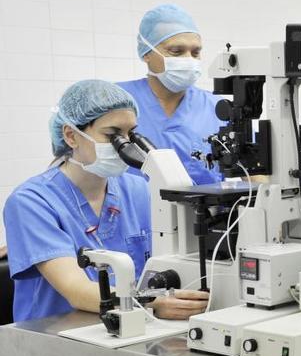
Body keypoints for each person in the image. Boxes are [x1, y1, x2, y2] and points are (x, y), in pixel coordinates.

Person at [3, 80, 208, 322]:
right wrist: (150, 304)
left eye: (129, 135)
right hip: (58, 334)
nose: (123, 144)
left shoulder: (139, 189)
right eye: (112, 135)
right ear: (71, 136)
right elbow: (75, 290)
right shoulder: (31, 202)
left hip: (134, 326)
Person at [118, 3, 226, 185]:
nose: (188, 60)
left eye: (195, 52)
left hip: (204, 212)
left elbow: (258, 171)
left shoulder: (219, 109)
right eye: (176, 51)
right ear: (146, 53)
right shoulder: (115, 102)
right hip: (133, 212)